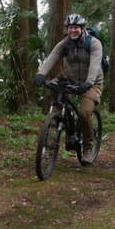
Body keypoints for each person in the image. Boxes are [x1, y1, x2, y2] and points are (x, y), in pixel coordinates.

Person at [33, 13, 104, 165]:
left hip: (92, 83)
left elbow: (95, 65)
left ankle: (87, 147)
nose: (73, 31)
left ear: (82, 28)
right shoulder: (65, 43)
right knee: (52, 84)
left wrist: (89, 82)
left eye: (76, 28)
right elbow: (52, 56)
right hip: (70, 78)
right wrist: (41, 74)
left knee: (84, 113)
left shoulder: (94, 43)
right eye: (70, 28)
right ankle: (59, 117)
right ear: (67, 29)